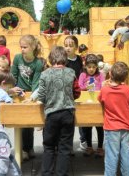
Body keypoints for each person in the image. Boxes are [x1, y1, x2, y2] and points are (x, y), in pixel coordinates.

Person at [37, 46, 80, 176]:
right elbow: (77, 92)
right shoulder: (71, 72)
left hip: (51, 114)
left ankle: (47, 173)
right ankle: (62, 173)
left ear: (51, 59)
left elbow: (42, 96)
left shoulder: (44, 74)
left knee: (49, 147)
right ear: (65, 59)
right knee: (64, 148)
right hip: (67, 113)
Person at [98, 61, 129, 176]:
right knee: (126, 154)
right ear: (125, 77)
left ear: (110, 74)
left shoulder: (105, 90)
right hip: (125, 127)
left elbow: (100, 98)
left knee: (111, 155)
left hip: (111, 128)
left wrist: (105, 85)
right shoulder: (127, 89)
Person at [11, 34, 44, 160]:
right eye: (21, 47)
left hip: (31, 94)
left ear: (33, 47)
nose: (22, 49)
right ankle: (22, 150)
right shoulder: (18, 58)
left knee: (30, 123)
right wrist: (13, 88)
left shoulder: (37, 63)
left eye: (25, 47)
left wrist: (32, 97)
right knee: (21, 124)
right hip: (19, 93)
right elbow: (13, 75)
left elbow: (36, 82)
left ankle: (29, 148)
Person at [78, 54, 105, 157]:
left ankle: (100, 148)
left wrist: (96, 89)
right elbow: (80, 86)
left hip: (98, 105)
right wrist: (87, 87)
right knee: (87, 127)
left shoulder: (100, 75)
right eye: (89, 67)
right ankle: (89, 147)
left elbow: (103, 86)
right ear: (85, 66)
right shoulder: (83, 75)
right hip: (86, 105)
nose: (91, 69)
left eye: (94, 67)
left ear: (97, 67)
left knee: (99, 127)